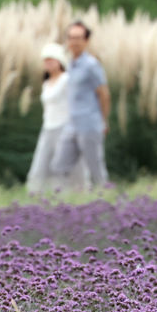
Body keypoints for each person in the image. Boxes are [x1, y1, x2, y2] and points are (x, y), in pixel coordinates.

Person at [51, 20, 111, 190]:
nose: (74, 41)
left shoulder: (91, 65)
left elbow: (104, 94)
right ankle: (66, 204)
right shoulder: (70, 64)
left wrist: (103, 121)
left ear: (86, 41)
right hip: (72, 125)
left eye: (78, 38)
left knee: (96, 170)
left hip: (89, 124)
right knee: (59, 166)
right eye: (71, 37)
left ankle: (108, 204)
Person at [26, 41, 69, 195]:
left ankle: (66, 198)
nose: (48, 63)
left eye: (52, 59)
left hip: (64, 128)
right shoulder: (47, 83)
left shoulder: (66, 79)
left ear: (60, 61)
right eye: (46, 60)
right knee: (40, 164)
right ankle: (36, 196)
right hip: (48, 128)